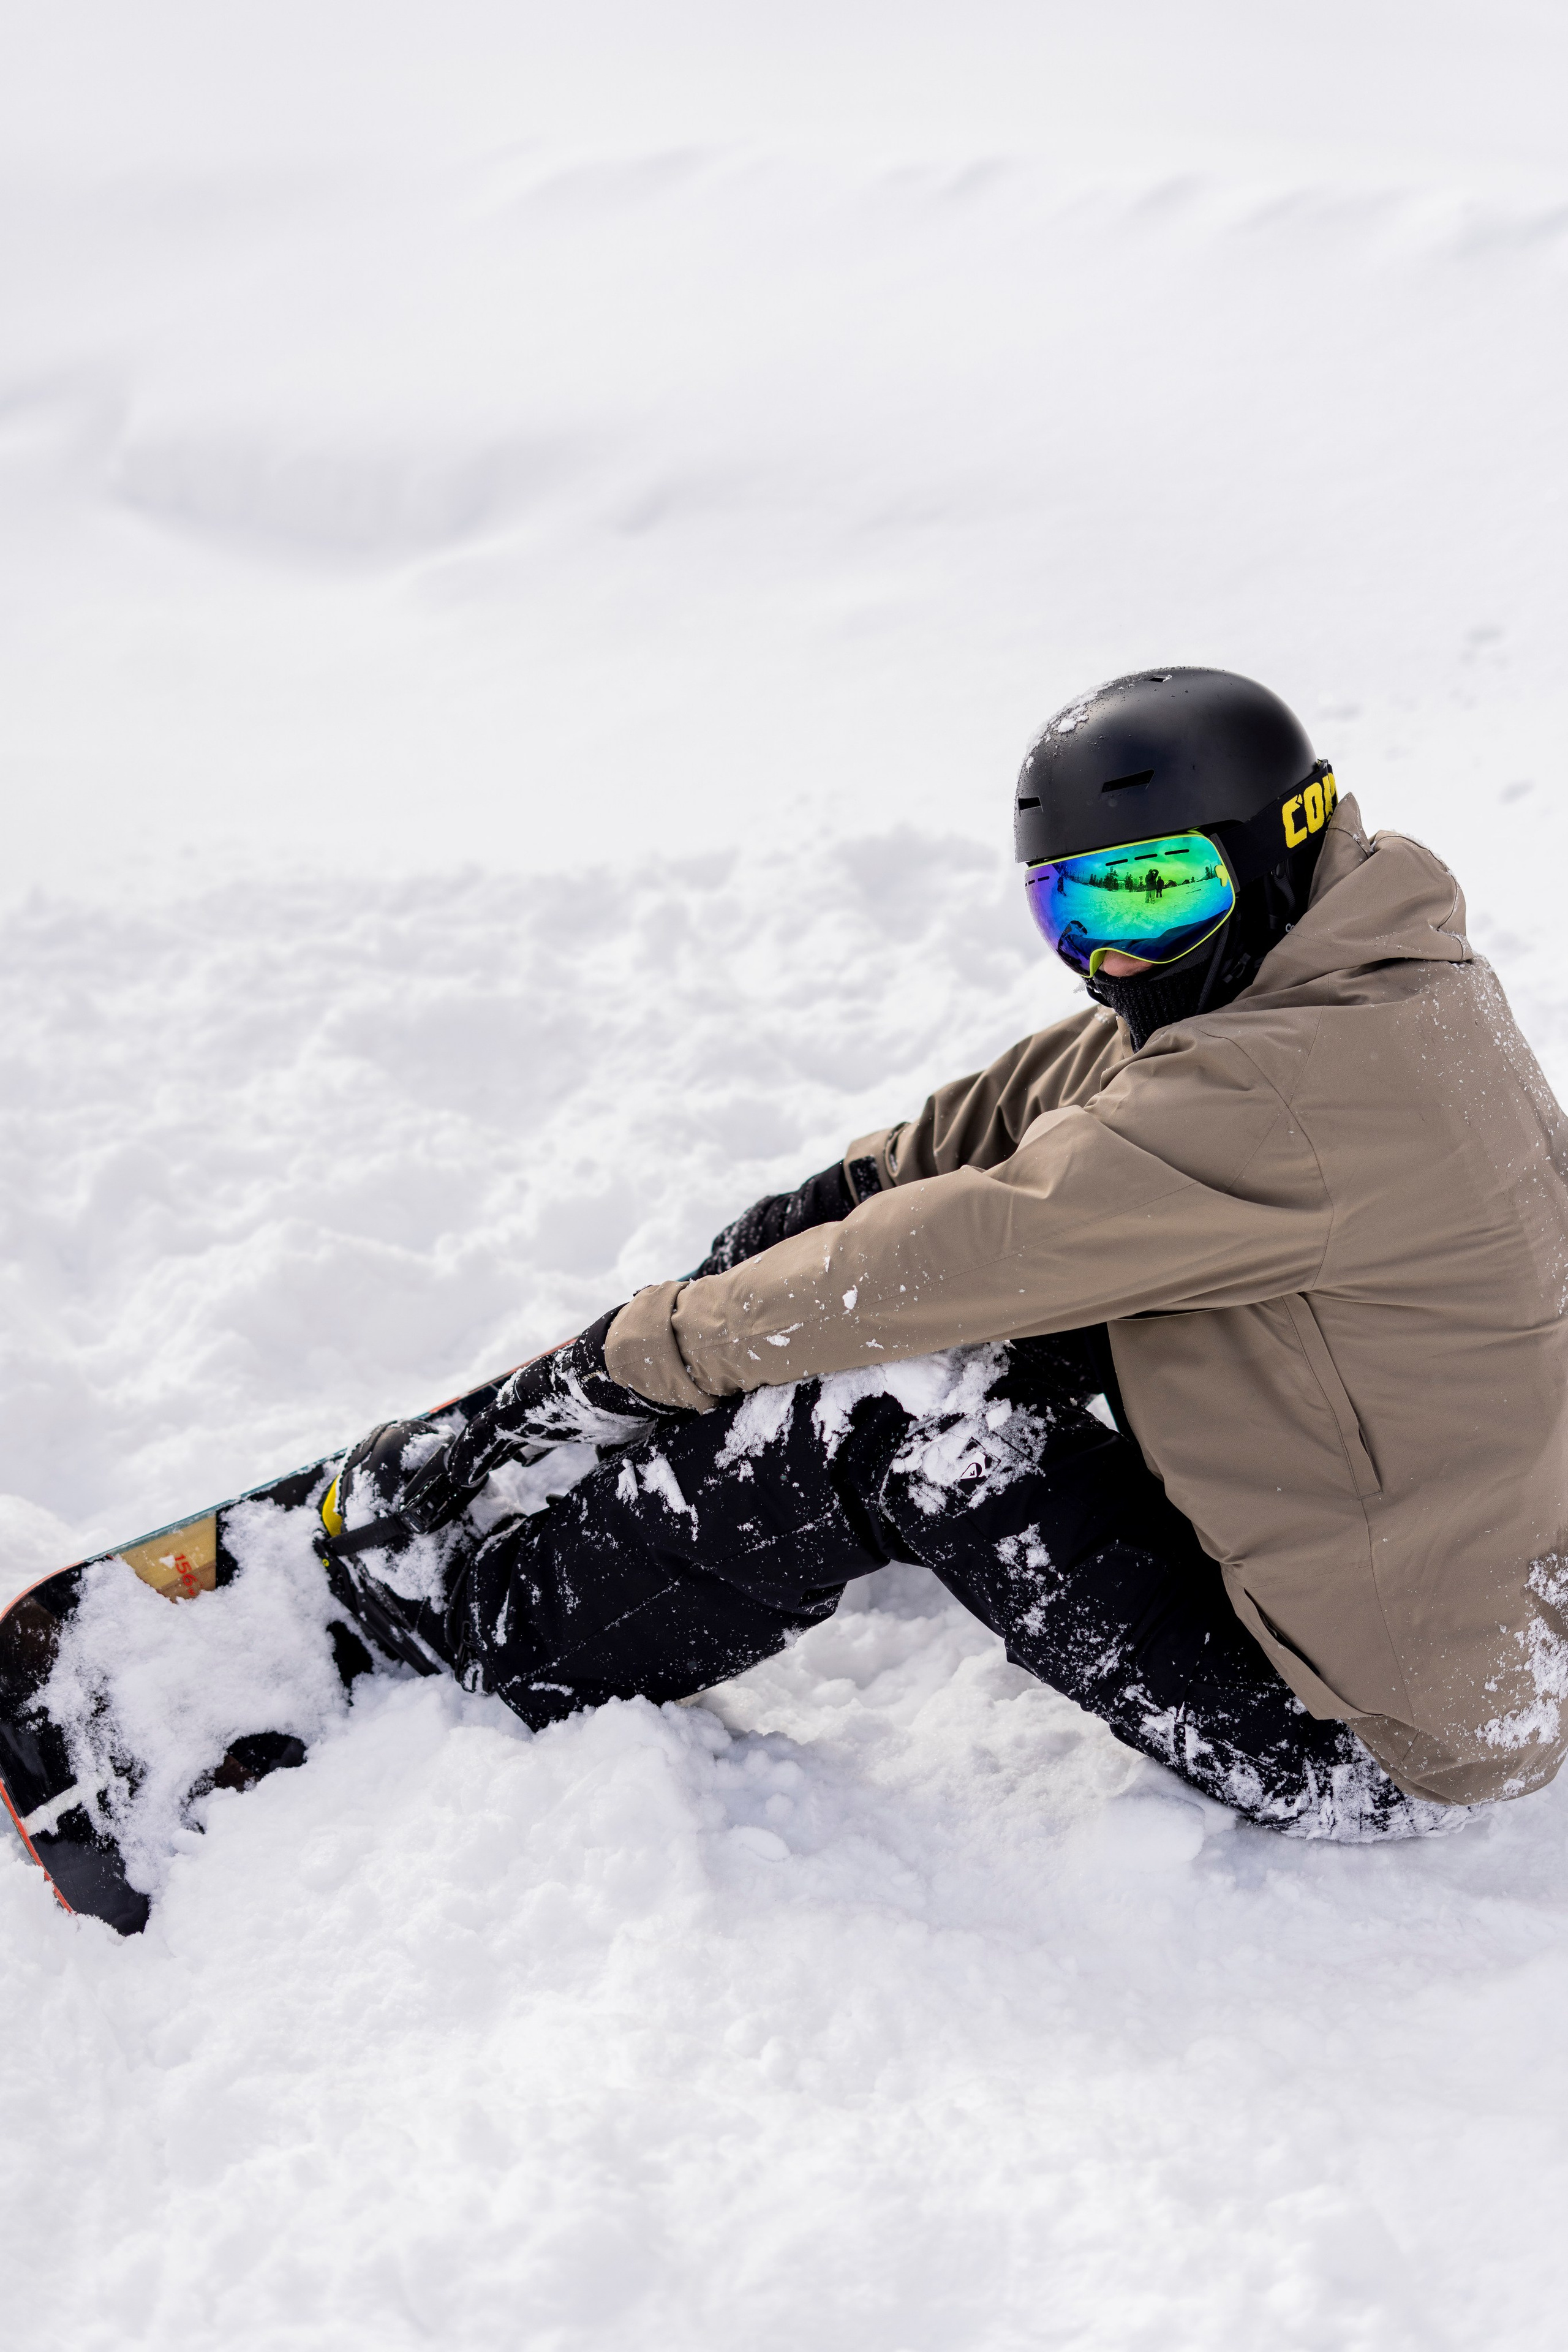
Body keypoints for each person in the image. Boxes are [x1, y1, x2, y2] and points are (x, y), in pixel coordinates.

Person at [318, 667, 1568, 1841]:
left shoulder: (1284, 1100)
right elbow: (1049, 1109)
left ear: (1271, 846)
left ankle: (502, 1628)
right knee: (869, 1292)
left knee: (892, 1404)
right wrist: (808, 1211)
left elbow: (944, 1256)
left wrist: (625, 1364)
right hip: (1463, 1616)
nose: (1110, 954)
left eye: (1157, 888)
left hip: (1378, 1731)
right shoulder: (1359, 976)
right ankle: (660, 1486)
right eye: (1068, 904)